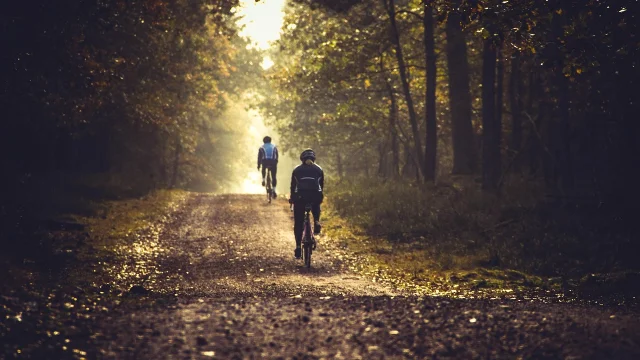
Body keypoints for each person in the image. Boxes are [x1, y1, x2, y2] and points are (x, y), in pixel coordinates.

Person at [289, 148, 324, 259]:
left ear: (302, 159)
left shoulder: (297, 170)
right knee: (316, 203)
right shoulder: (319, 169)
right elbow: (321, 187)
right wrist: (319, 197)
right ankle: (317, 220)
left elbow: (293, 186)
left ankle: (298, 246)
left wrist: (292, 198)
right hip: (315, 196)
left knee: (298, 223)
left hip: (300, 197)